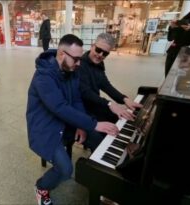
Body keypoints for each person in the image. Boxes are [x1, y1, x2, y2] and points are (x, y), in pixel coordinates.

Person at [26, 34, 119, 205]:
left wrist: (82, 126)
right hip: (46, 128)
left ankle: (101, 184)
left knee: (97, 138)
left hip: (65, 121)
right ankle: (41, 187)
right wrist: (94, 124)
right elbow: (60, 107)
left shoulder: (72, 70)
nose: (79, 63)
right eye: (76, 59)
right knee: (66, 169)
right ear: (62, 54)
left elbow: (76, 100)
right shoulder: (43, 77)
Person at [79, 33, 142, 150]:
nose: (100, 55)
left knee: (122, 118)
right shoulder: (79, 64)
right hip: (81, 110)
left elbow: (105, 84)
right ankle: (102, 156)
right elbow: (85, 93)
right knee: (100, 142)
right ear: (92, 46)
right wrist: (109, 104)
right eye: (98, 50)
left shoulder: (99, 63)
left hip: (95, 105)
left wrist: (124, 99)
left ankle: (123, 149)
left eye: (105, 53)